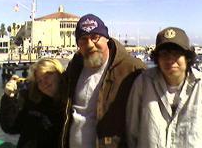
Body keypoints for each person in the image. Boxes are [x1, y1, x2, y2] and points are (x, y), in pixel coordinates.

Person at [126, 27, 202, 148]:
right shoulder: (143, 83)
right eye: (164, 54)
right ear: (157, 58)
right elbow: (132, 131)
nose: (170, 59)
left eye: (176, 53)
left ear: (187, 57)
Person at [60, 14, 146, 148]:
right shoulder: (76, 66)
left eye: (95, 37)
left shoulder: (132, 69)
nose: (90, 45)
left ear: (106, 38)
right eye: (83, 39)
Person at [0, 58, 66, 148]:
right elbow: (10, 126)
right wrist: (9, 97)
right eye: (39, 80)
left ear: (59, 74)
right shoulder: (32, 101)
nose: (44, 83)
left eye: (47, 76)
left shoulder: (70, 103)